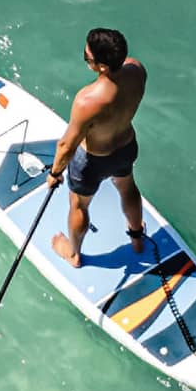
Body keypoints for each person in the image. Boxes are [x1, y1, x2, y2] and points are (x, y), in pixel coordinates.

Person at [46, 28, 147, 268]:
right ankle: (137, 239)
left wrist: (54, 173)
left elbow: (66, 145)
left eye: (87, 57)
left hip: (92, 161)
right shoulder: (137, 70)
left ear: (101, 66)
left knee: (79, 205)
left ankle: (74, 255)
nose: (85, 58)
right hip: (125, 147)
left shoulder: (87, 101)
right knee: (127, 188)